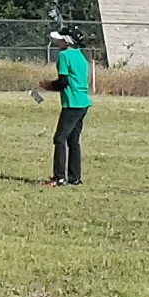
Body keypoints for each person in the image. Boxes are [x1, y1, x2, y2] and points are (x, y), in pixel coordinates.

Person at [45, 23, 89, 185]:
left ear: (67, 41)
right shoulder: (80, 56)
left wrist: (47, 85)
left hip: (72, 103)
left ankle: (59, 177)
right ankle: (74, 177)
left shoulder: (64, 56)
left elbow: (62, 82)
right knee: (73, 140)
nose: (58, 42)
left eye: (60, 39)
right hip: (83, 102)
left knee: (59, 138)